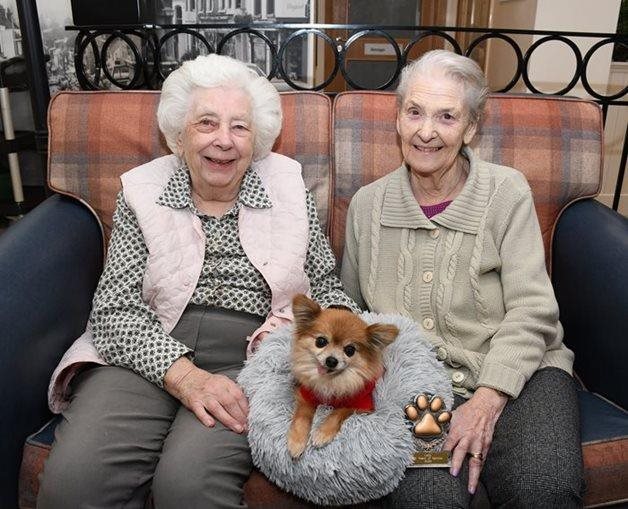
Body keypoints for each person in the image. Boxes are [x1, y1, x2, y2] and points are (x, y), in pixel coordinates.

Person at [38, 54, 359, 509]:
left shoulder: (288, 186)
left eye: (239, 127)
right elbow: (113, 310)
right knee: (73, 483)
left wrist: (350, 341)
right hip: (144, 350)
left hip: (252, 359)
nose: (223, 141)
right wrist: (183, 375)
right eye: (207, 123)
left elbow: (324, 283)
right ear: (179, 134)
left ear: (258, 139)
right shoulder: (143, 191)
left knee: (189, 488)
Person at [341, 50, 584, 508]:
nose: (426, 131)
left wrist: (488, 397)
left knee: (543, 490)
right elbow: (353, 314)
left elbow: (534, 310)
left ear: (472, 128)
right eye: (414, 112)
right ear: (397, 119)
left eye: (447, 117)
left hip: (524, 371)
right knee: (427, 500)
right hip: (416, 388)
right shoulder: (367, 208)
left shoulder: (506, 192)